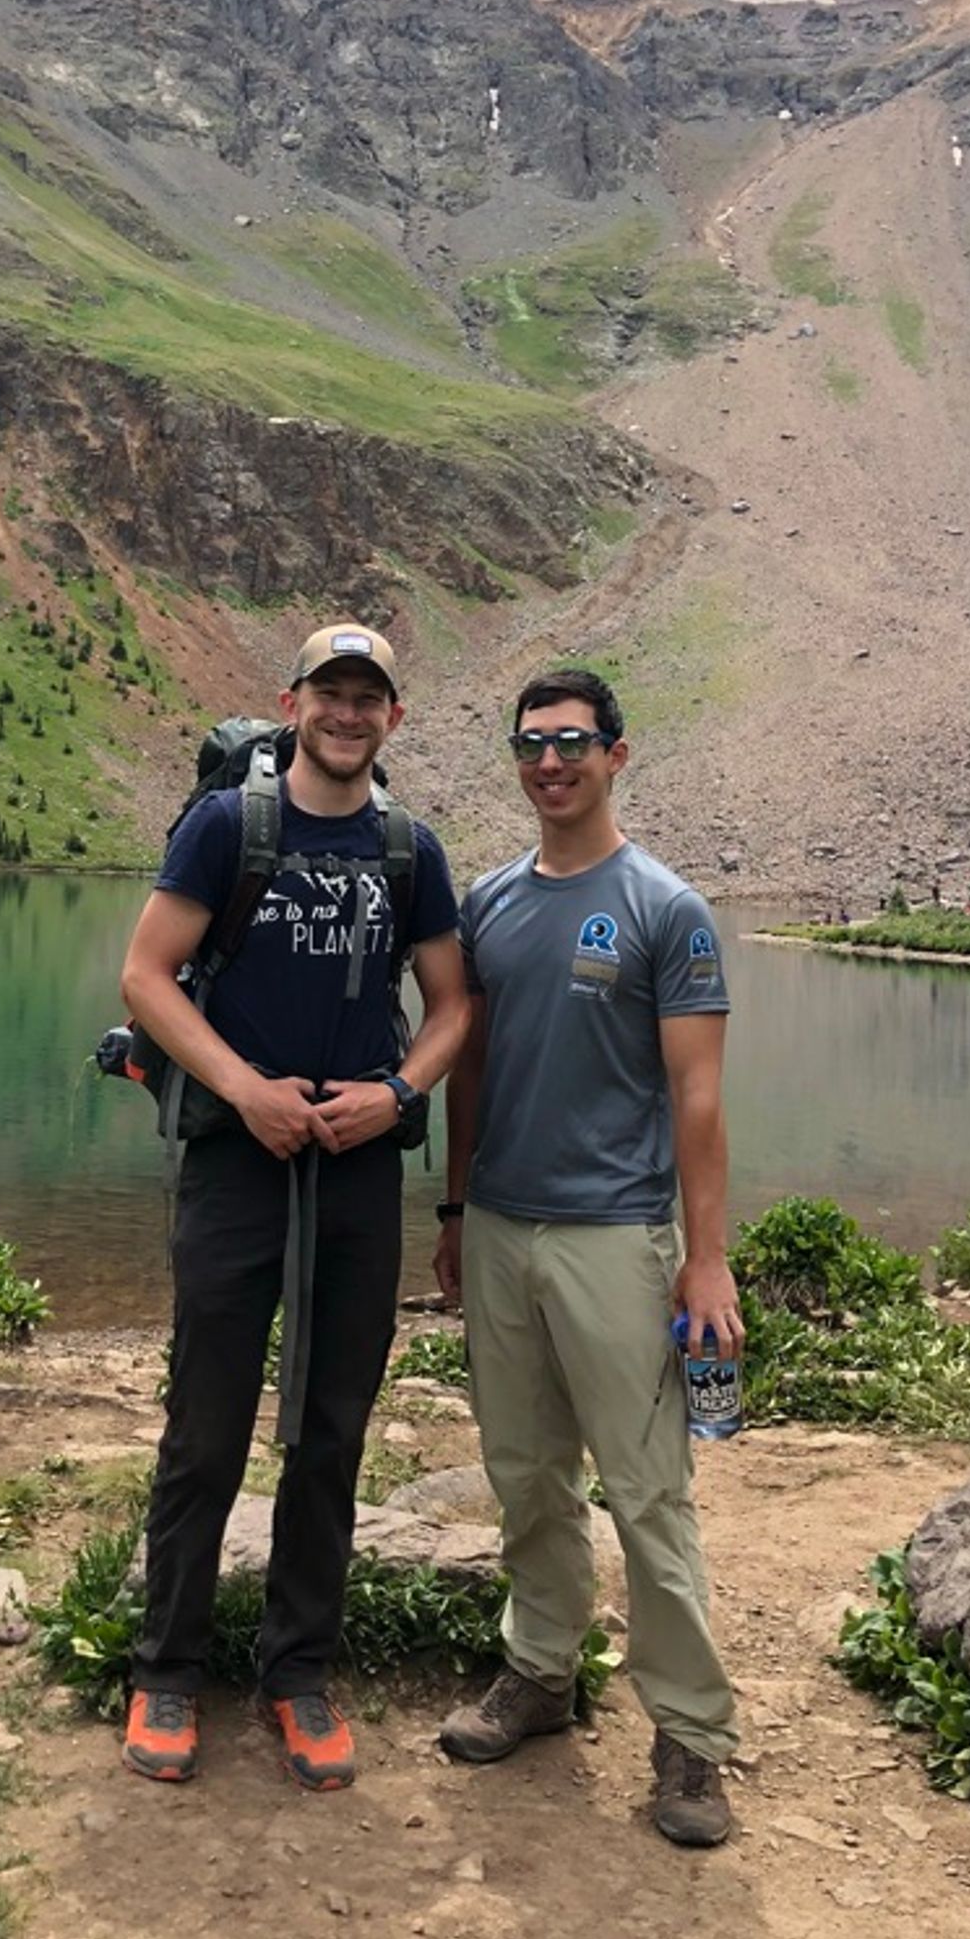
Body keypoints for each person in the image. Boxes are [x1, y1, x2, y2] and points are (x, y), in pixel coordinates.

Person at [118, 622, 466, 1792]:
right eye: (330, 691)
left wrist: (396, 1092)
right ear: (293, 702)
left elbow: (454, 1005)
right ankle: (165, 1669)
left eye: (368, 696)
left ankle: (296, 1672)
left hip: (358, 1166)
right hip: (237, 1156)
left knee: (331, 1427)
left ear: (392, 718)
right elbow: (144, 975)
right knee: (206, 1420)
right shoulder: (230, 827)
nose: (348, 711)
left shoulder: (410, 849)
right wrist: (243, 1090)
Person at [434, 666, 741, 1849]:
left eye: (571, 742)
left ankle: (690, 1736)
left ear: (617, 753)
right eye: (530, 744)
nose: (549, 762)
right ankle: (539, 1673)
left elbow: (698, 1099)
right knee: (524, 1472)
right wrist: (456, 1209)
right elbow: (467, 1065)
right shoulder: (491, 903)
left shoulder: (667, 907)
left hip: (618, 1237)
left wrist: (703, 1261)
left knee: (648, 1490)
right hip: (503, 1228)